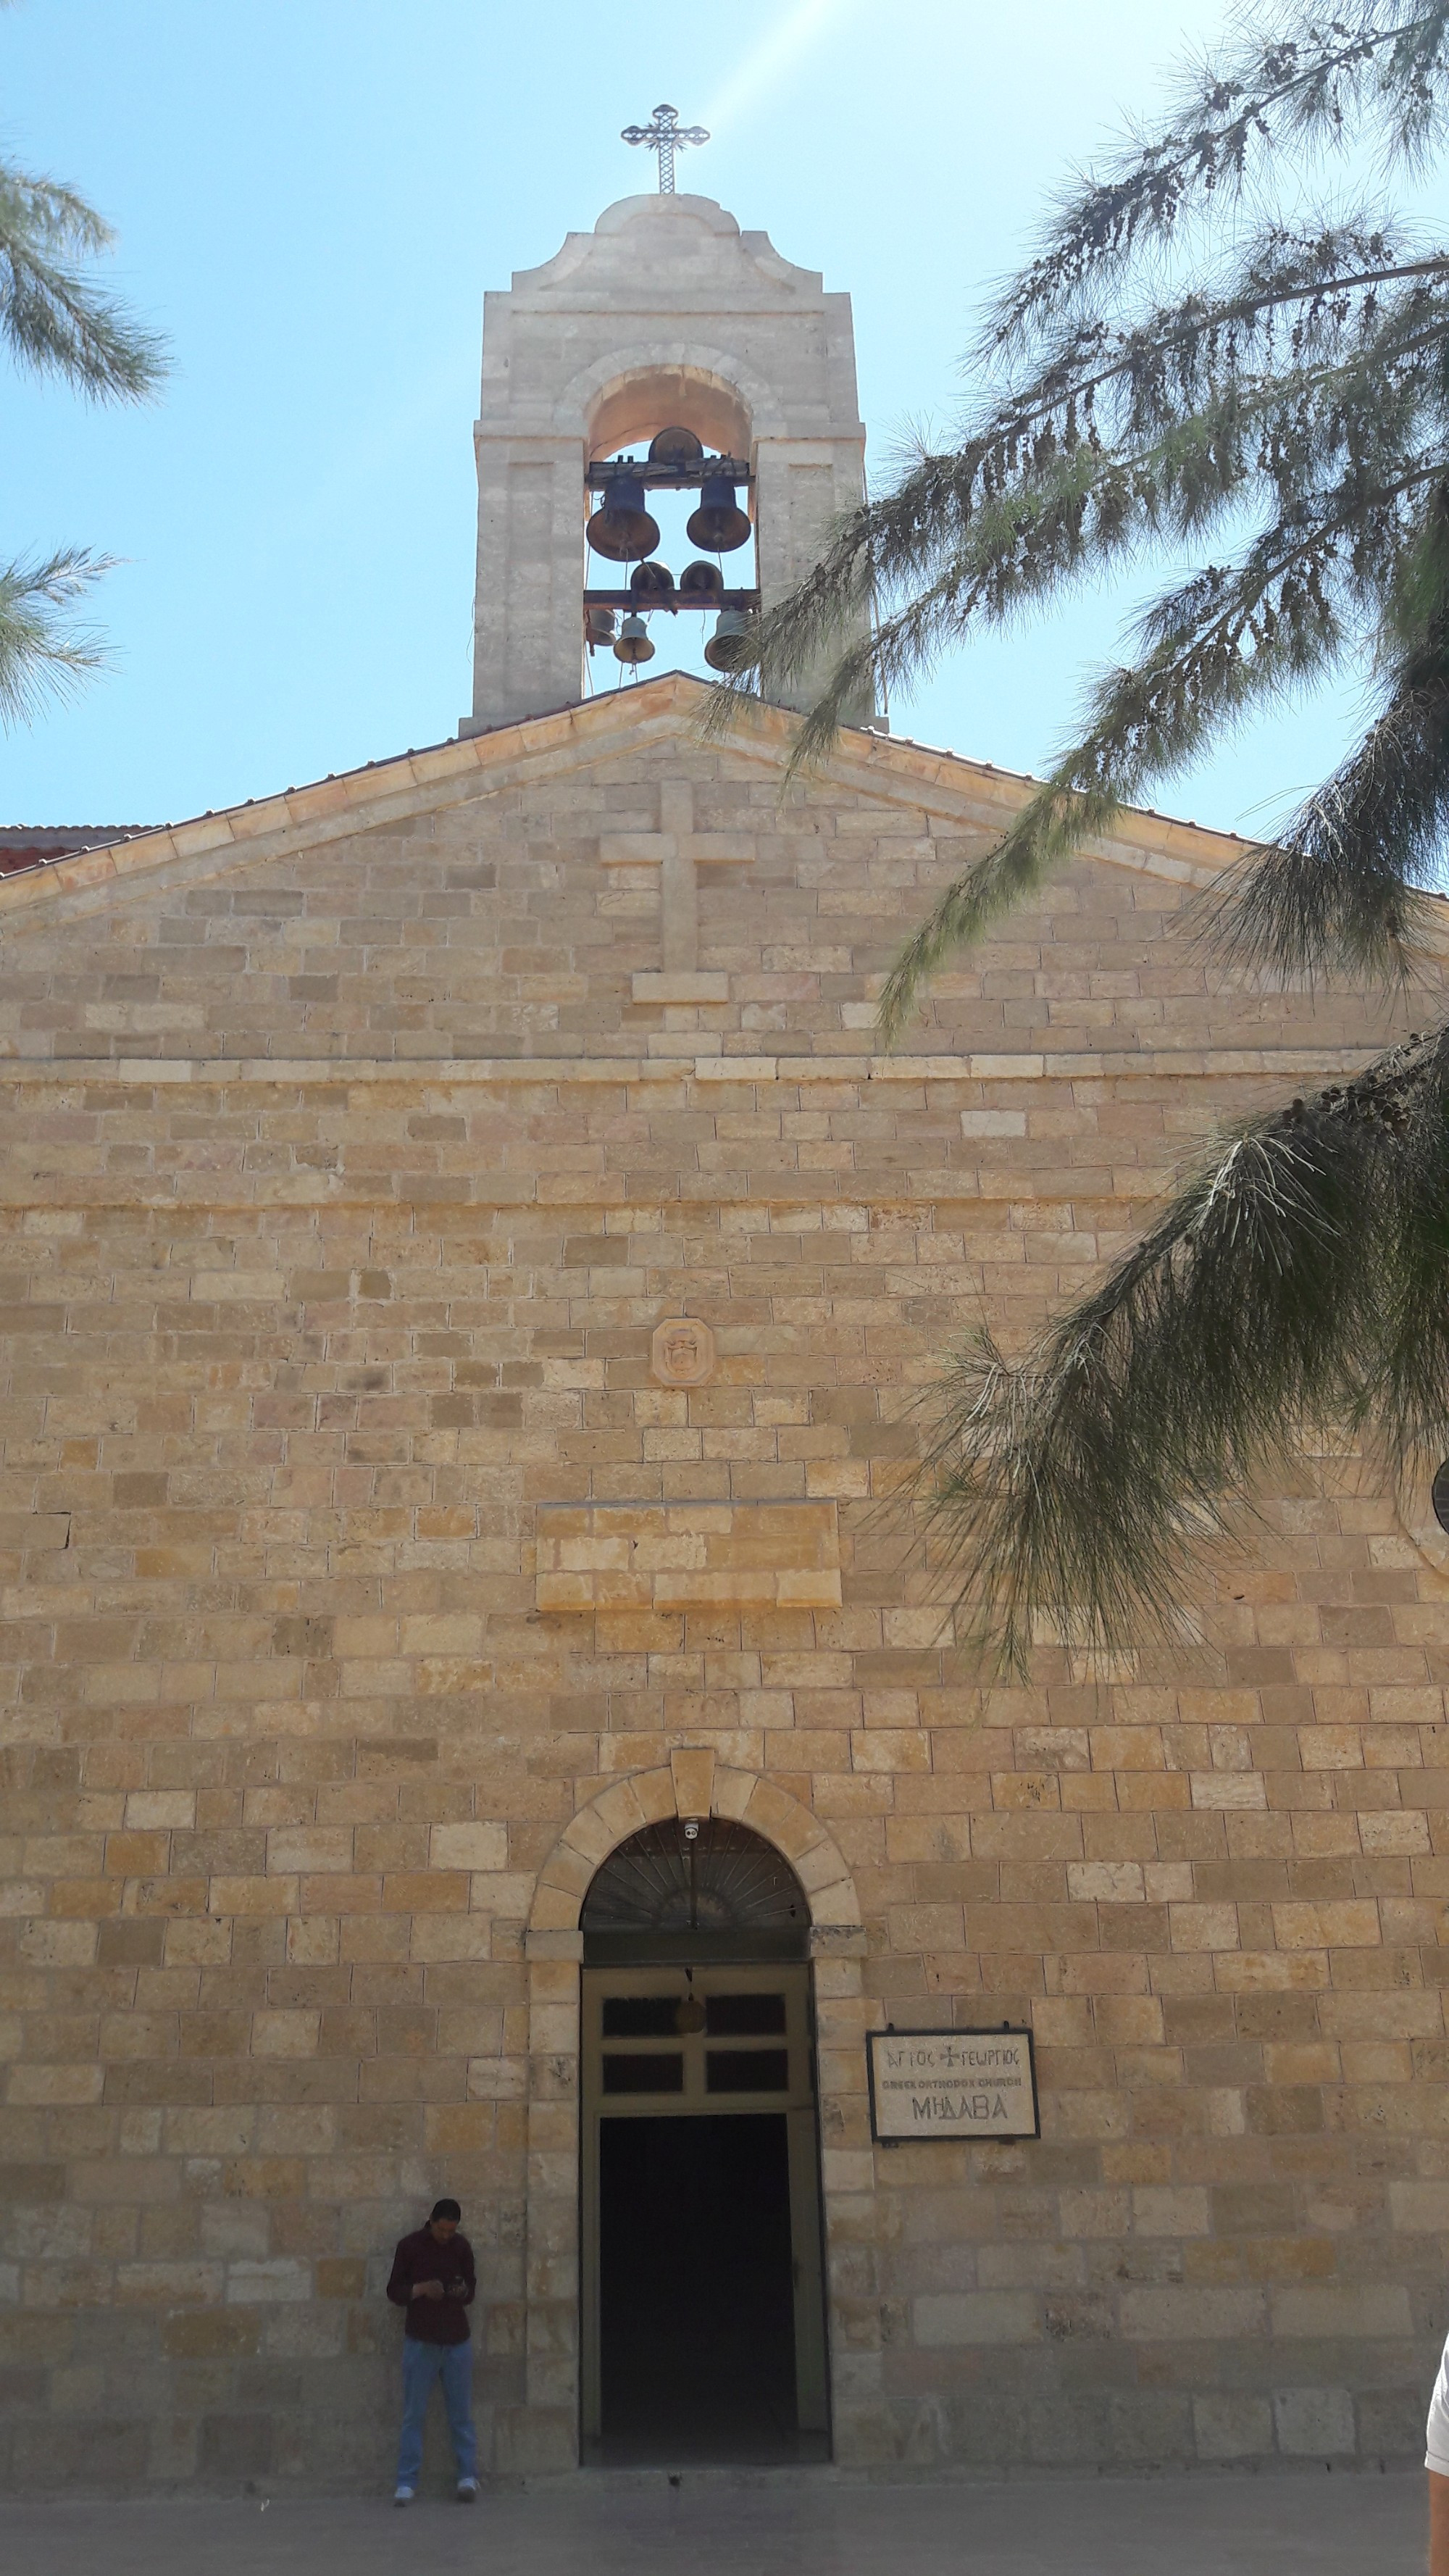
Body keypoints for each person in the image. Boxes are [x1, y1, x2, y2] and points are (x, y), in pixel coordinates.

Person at [385, 2196, 479, 2505]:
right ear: (432, 2221)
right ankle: (406, 2482)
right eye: (441, 2230)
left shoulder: (461, 2248)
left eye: (451, 2231)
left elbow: (471, 2290)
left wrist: (461, 2291)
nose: (446, 2236)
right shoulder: (410, 2247)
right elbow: (394, 2291)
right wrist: (422, 2289)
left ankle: (467, 2477)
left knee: (461, 2416)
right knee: (414, 2415)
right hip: (421, 2342)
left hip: (456, 2342)